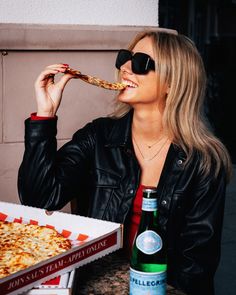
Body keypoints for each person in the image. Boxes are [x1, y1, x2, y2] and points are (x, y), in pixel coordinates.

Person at [18, 30, 232, 295]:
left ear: (172, 83)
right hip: (94, 282)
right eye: (125, 58)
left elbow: (196, 265)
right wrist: (45, 116)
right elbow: (39, 199)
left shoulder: (203, 162)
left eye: (141, 62)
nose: (125, 67)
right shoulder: (98, 137)